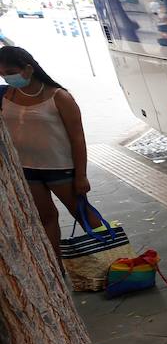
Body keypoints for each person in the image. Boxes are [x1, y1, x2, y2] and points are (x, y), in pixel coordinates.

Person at [0, 44, 103, 257]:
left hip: (60, 168)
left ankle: (115, 258)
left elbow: (78, 138)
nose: (6, 78)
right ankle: (56, 267)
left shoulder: (59, 96)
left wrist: (81, 176)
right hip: (26, 169)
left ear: (28, 69)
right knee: (45, 217)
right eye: (2, 74)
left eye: (10, 73)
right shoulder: (6, 95)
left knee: (82, 213)